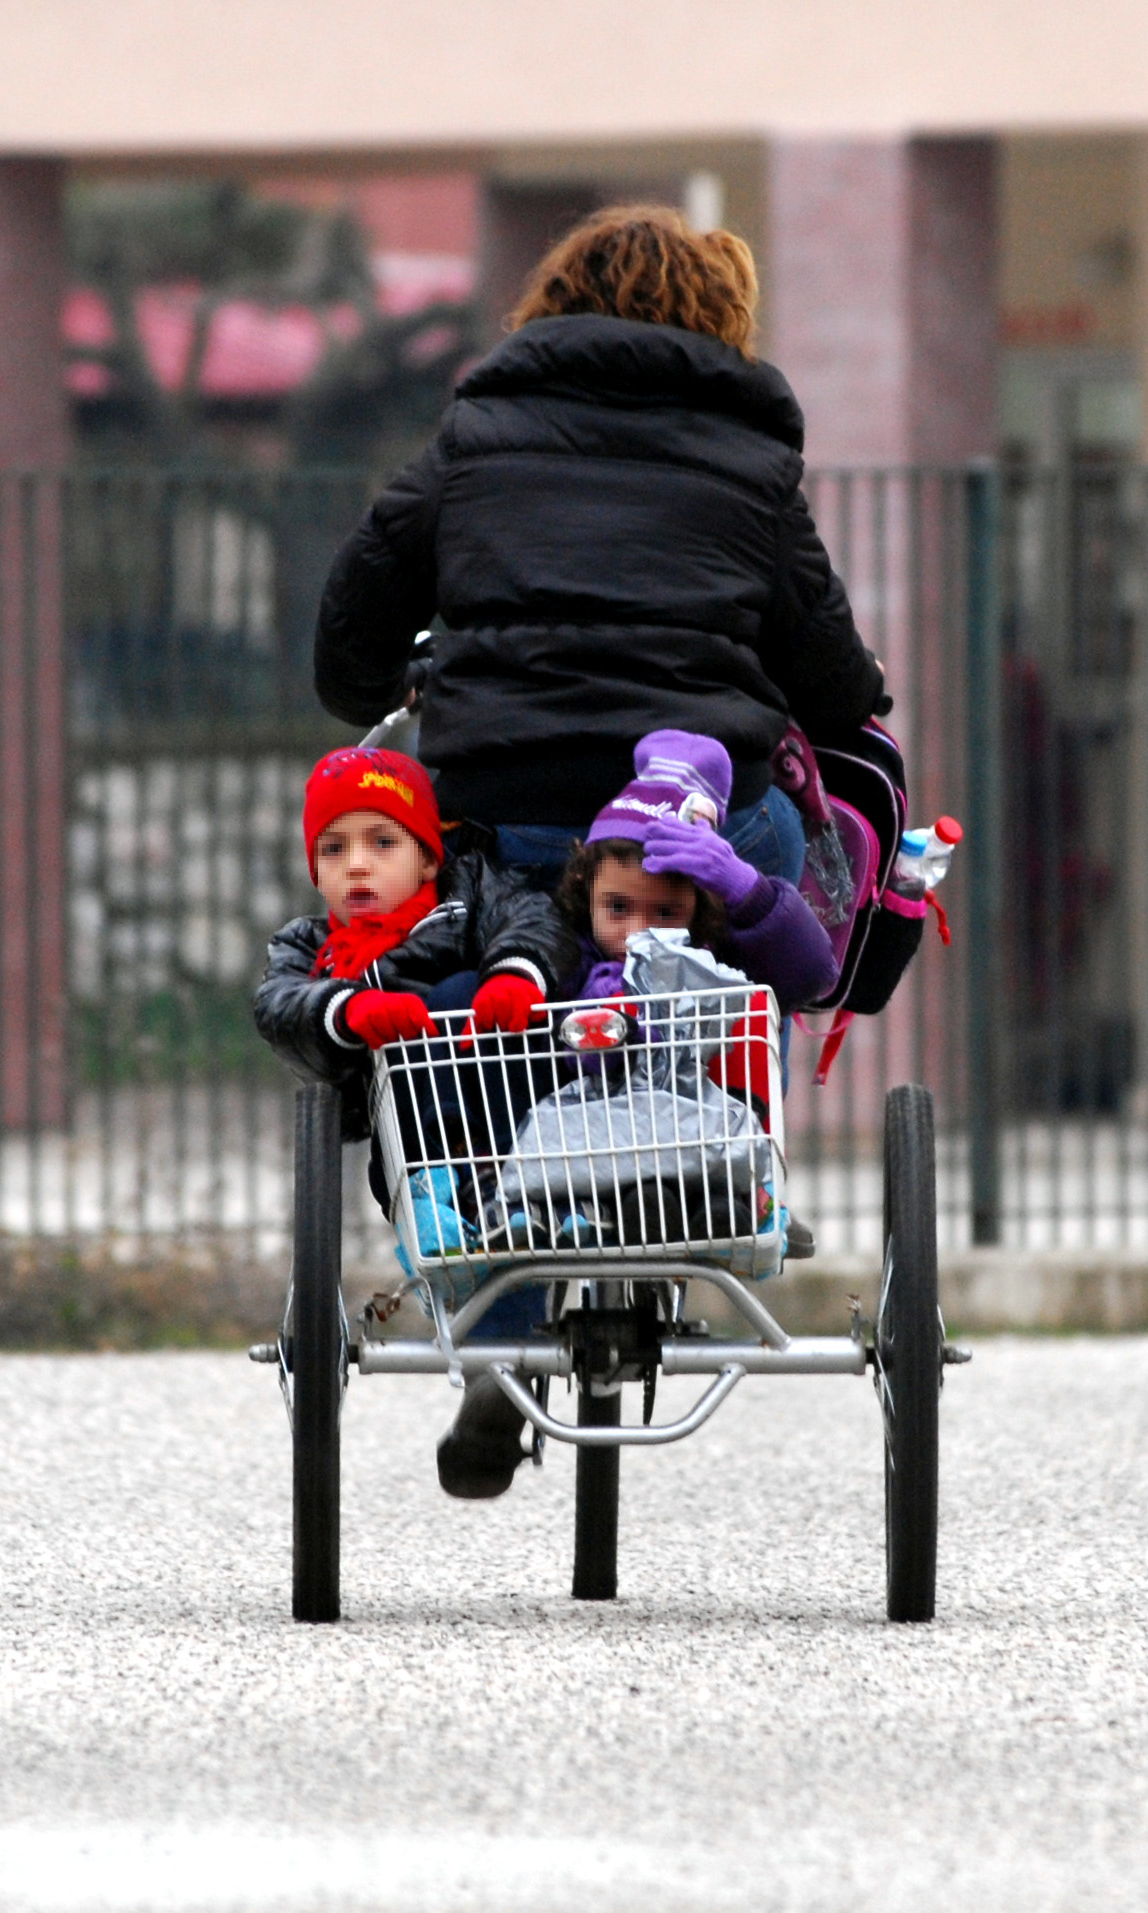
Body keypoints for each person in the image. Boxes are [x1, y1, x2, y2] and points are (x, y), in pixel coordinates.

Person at [309, 203, 886, 900]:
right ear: (716, 320)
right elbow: (830, 683)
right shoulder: (750, 466)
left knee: (486, 973)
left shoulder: (472, 444)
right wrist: (861, 683)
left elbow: (352, 617)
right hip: (705, 823)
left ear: (553, 307)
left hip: (507, 816)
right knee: (770, 884)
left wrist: (391, 683)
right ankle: (768, 1006)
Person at [250, 747, 578, 1500]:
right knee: (457, 1242)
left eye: (382, 843)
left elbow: (534, 920)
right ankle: (495, 1353)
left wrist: (514, 975)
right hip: (417, 1150)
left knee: (466, 984)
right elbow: (278, 1007)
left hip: (514, 1118)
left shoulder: (470, 894)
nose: (356, 867)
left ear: (430, 856)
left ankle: (503, 1361)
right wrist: (350, 1008)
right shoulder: (310, 948)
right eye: (334, 849)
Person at [558, 731, 839, 1012]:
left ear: (700, 909)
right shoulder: (573, 951)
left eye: (665, 913)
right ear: (587, 888)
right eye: (618, 907)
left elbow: (811, 975)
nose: (636, 935)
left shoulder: (712, 956)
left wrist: (750, 893)